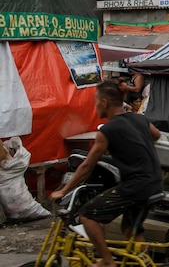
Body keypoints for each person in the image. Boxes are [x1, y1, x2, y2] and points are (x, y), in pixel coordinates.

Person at [51, 81, 162, 267]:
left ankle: (107, 261)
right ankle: (147, 264)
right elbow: (156, 135)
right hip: (154, 184)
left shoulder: (108, 131)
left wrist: (63, 191)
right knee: (130, 230)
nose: (95, 106)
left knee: (87, 215)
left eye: (95, 101)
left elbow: (87, 166)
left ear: (104, 102)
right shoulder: (139, 119)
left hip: (135, 187)